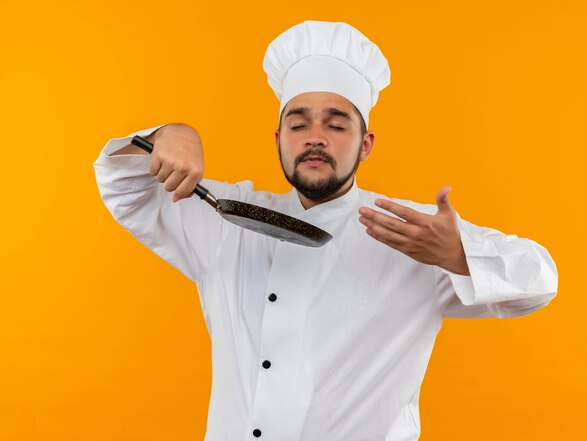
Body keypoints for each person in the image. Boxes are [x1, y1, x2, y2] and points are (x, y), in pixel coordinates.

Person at [94, 20, 557, 441]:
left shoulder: (414, 233)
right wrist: (173, 134)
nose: (315, 136)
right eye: (298, 124)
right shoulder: (228, 219)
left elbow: (539, 281)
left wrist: (457, 254)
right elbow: (122, 185)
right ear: (279, 140)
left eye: (336, 125)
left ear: (365, 144)